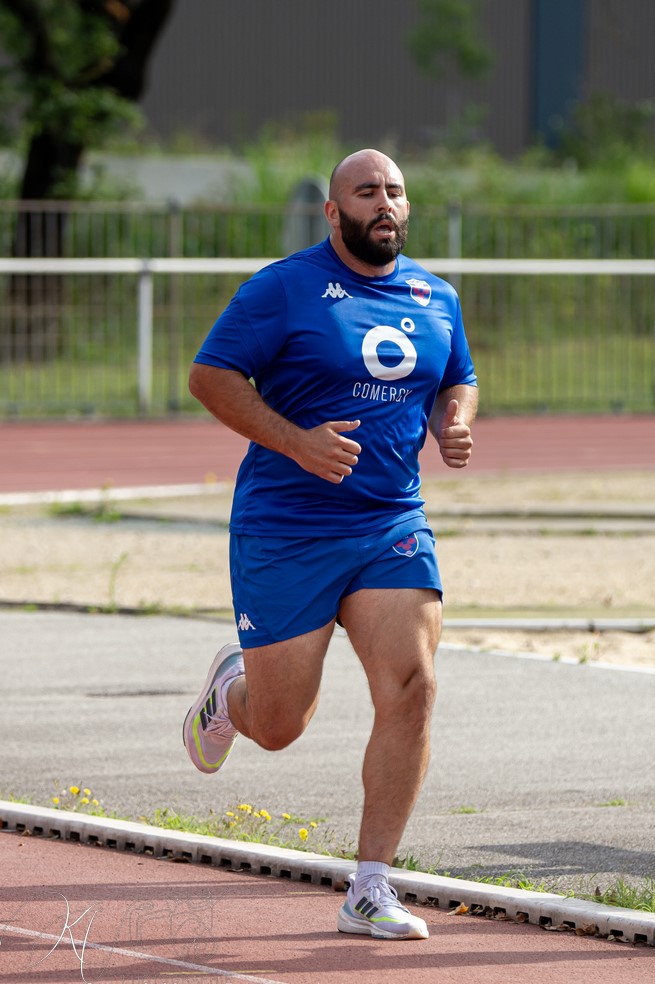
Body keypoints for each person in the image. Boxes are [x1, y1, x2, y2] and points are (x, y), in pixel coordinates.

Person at [183, 148, 478, 941]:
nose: (384, 203)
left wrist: (455, 417)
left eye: (394, 191)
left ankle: (370, 887)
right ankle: (230, 693)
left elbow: (456, 374)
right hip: (286, 529)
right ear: (333, 211)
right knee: (279, 726)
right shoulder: (282, 288)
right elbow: (211, 377)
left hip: (388, 523)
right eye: (366, 191)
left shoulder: (433, 294)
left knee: (412, 687)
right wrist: (295, 442)